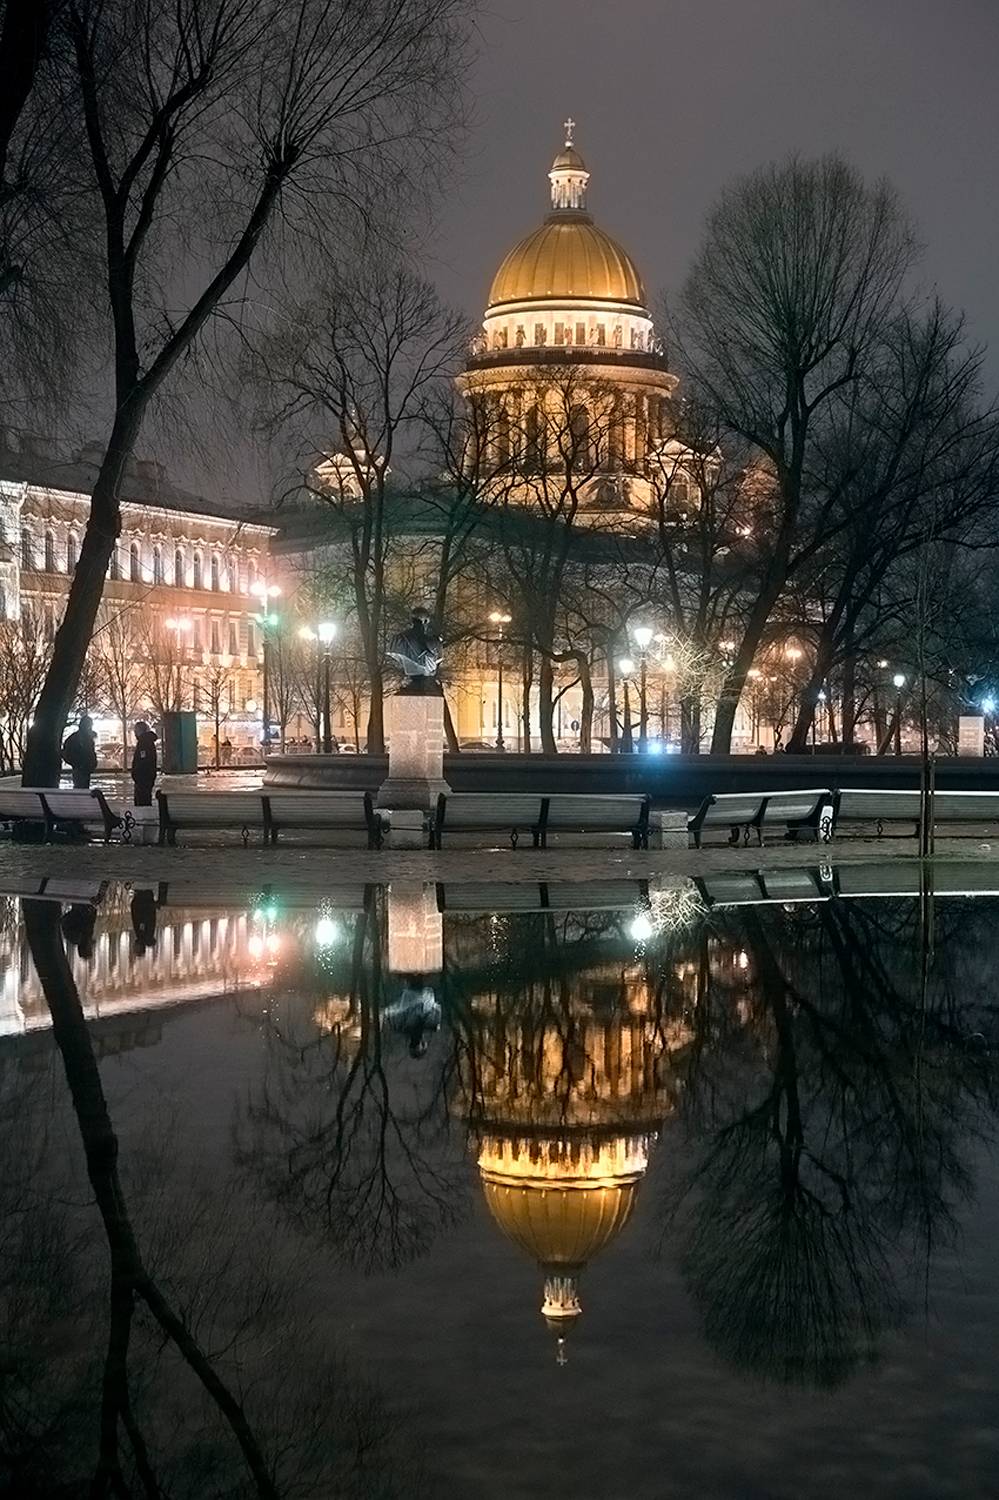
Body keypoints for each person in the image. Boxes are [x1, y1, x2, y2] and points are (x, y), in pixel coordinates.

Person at [61, 715, 98, 789]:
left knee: (81, 786)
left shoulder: (82, 737)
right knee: (81, 786)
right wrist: (78, 763)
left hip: (83, 767)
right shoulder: (82, 738)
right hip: (81, 767)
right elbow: (89, 752)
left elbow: (66, 752)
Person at [131, 720, 158, 806]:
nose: (135, 733)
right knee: (145, 800)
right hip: (146, 777)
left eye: (135, 731)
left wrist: (136, 774)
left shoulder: (143, 742)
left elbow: (143, 760)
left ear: (140, 731)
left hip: (143, 778)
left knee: (142, 802)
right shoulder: (148, 741)